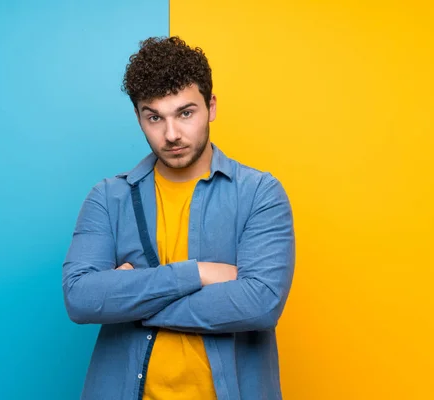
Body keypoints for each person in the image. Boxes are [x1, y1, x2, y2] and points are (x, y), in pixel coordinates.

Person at [62, 36, 295, 400]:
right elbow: (81, 298)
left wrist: (129, 301)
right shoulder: (108, 198)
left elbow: (260, 303)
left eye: (185, 113)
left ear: (211, 106)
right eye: (154, 117)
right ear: (138, 116)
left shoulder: (259, 193)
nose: (171, 134)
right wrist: (198, 273)